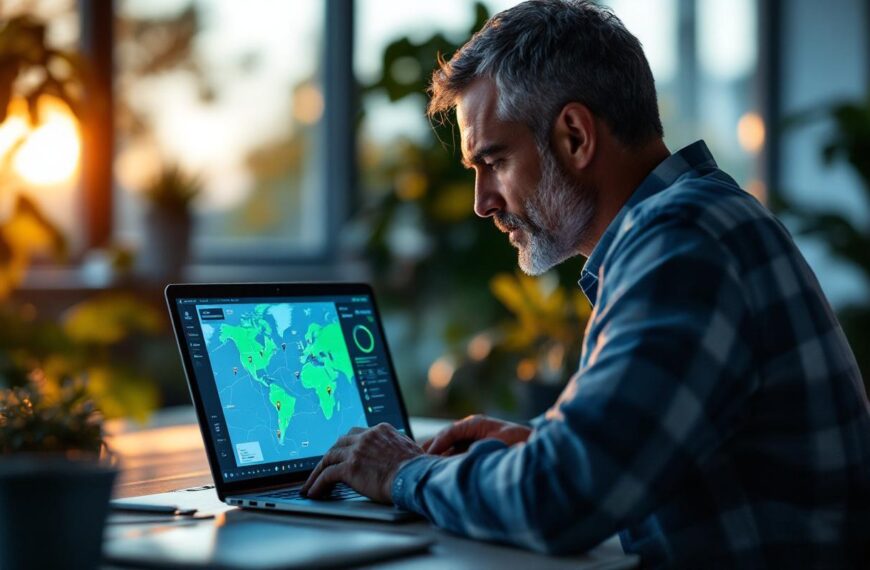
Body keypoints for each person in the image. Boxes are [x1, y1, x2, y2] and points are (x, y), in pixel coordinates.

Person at [302, 0, 870, 566]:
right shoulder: (697, 220)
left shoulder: (682, 243)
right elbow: (644, 455)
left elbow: (564, 496)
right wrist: (538, 448)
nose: (482, 203)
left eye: (493, 161)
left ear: (575, 136)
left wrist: (403, 473)